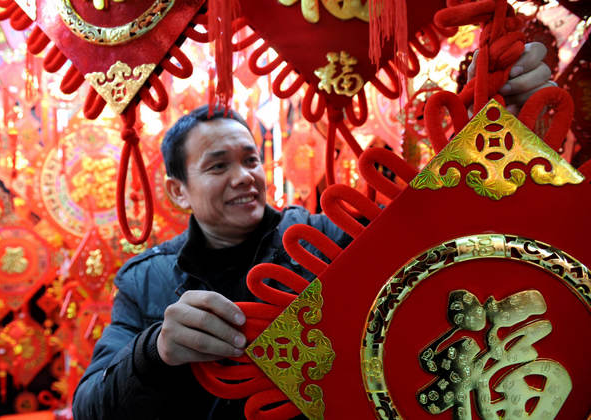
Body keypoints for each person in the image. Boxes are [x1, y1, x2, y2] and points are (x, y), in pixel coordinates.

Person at [72, 43, 553, 420]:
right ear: (179, 192)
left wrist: (503, 130)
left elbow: (446, 242)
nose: (244, 176)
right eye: (218, 165)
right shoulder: (143, 281)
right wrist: (153, 352)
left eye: (250, 159)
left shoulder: (327, 240)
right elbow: (90, 407)